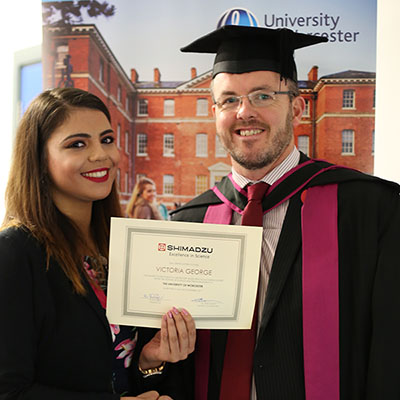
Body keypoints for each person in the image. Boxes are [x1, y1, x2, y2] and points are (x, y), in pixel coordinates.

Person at [171, 25, 400, 399]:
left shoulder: (371, 210)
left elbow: (391, 351)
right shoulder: (188, 223)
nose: (244, 112)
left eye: (262, 95)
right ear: (214, 112)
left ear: (296, 106)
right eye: (229, 100)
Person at [0, 87, 195, 399]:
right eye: (77, 144)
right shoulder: (14, 253)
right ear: (39, 159)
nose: (101, 155)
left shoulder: (120, 247)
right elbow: (9, 391)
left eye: (106, 140)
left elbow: (118, 374)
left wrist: (148, 361)